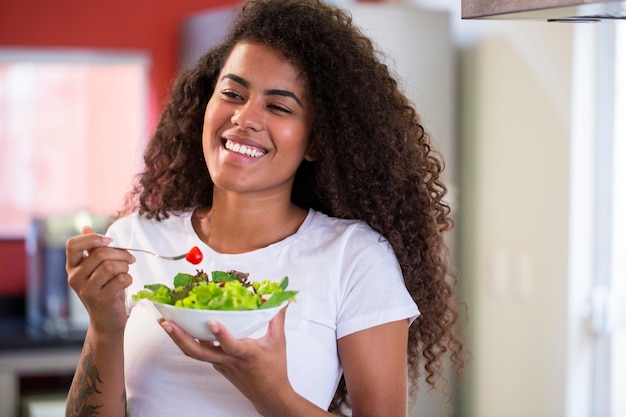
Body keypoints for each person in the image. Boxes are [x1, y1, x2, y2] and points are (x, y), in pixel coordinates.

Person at [64, 0, 464, 415]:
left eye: (278, 106)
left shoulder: (355, 257)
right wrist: (105, 328)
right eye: (232, 93)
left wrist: (272, 392)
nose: (244, 117)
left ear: (314, 142)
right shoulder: (135, 239)